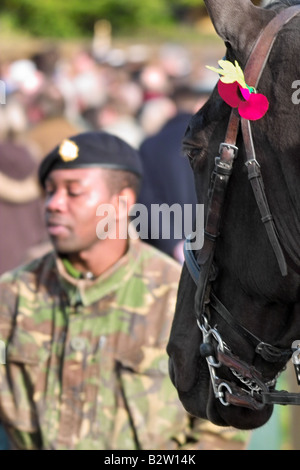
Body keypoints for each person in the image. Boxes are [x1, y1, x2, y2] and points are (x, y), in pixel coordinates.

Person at [0, 131, 248, 450]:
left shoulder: (184, 299)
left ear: (122, 203)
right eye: (49, 191)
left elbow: (223, 426)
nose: (54, 204)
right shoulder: (13, 297)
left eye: (73, 192)